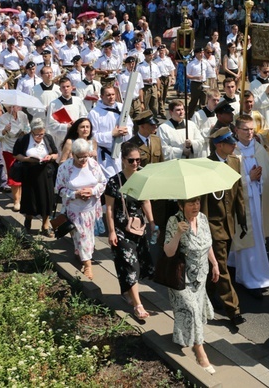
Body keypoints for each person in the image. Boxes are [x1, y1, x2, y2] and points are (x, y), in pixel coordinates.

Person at [163, 197, 220, 375]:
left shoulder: (202, 218)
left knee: (192, 311)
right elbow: (168, 251)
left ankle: (181, 337)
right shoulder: (174, 221)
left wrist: (215, 263)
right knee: (192, 310)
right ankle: (200, 352)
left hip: (200, 276)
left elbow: (207, 244)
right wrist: (178, 233)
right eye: (190, 203)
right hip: (181, 278)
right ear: (181, 205)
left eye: (197, 203)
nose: (195, 207)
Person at [229, 120, 269, 297]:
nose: (249, 133)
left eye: (251, 129)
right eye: (245, 129)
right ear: (236, 130)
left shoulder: (259, 149)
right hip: (241, 202)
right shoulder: (232, 152)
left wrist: (260, 179)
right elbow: (229, 183)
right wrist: (248, 177)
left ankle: (251, 274)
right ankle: (250, 279)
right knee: (246, 240)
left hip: (257, 200)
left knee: (256, 239)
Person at [199, 128, 247, 328]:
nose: (234, 144)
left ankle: (207, 299)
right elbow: (202, 199)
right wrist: (201, 226)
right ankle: (233, 310)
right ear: (219, 145)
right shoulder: (206, 166)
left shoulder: (235, 161)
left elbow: (239, 191)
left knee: (216, 266)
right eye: (230, 142)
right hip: (213, 224)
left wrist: (242, 218)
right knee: (223, 267)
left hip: (229, 224)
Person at [105, 142, 156, 318]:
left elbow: (146, 201)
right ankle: (138, 305)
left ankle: (127, 292)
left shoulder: (141, 177)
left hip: (138, 227)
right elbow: (110, 209)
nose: (135, 164)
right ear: (123, 160)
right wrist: (111, 231)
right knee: (130, 264)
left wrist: (151, 222)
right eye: (131, 160)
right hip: (120, 228)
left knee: (139, 264)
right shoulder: (114, 182)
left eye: (138, 160)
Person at [56, 138, 107, 280]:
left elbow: (103, 182)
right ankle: (88, 265)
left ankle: (81, 253)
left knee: (87, 236)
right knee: (82, 236)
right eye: (80, 157)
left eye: (86, 156)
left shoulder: (93, 164)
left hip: (91, 208)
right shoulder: (64, 168)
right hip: (74, 210)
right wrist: (75, 194)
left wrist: (92, 192)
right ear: (73, 154)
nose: (84, 160)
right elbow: (59, 188)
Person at [13, 119, 59, 235]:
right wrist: (26, 159)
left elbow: (55, 153)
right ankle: (28, 221)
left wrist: (50, 157)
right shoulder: (23, 139)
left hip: (45, 173)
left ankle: (45, 225)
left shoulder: (48, 138)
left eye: (41, 134)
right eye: (36, 134)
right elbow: (16, 154)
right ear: (31, 132)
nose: (39, 136)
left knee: (47, 199)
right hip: (30, 173)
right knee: (30, 199)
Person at [88, 85, 132, 178]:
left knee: (125, 178)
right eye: (108, 95)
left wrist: (126, 132)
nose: (111, 97)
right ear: (102, 96)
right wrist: (111, 134)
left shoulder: (122, 108)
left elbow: (130, 125)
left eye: (113, 94)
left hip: (122, 151)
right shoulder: (94, 113)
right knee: (111, 180)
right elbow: (92, 137)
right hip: (106, 154)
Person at [0, 105, 30, 210]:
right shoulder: (3, 118)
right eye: (11, 106)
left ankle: (23, 198)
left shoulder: (23, 115)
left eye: (16, 106)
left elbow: (28, 128)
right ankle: (16, 201)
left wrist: (25, 131)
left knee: (23, 174)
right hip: (9, 149)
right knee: (14, 174)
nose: (15, 108)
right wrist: (5, 130)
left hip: (22, 148)